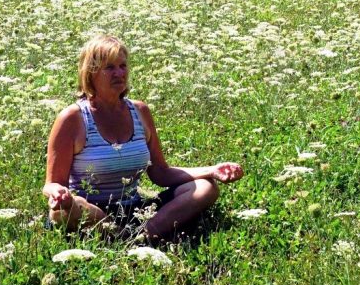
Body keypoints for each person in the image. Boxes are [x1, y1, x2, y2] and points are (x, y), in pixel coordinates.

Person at [42, 34, 243, 243]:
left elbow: (160, 173)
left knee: (206, 187)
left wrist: (212, 170)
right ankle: (123, 237)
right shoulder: (72, 118)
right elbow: (52, 183)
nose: (119, 73)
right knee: (63, 211)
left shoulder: (139, 111)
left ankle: (142, 235)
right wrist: (59, 193)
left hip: (134, 209)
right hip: (89, 208)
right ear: (91, 72)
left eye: (123, 66)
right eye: (110, 67)